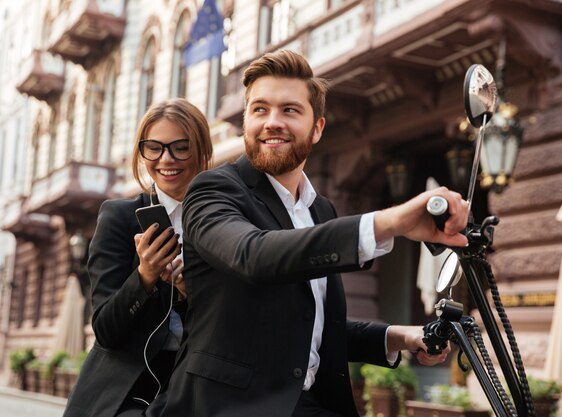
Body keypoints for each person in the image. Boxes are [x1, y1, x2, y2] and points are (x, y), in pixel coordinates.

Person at [146, 50, 467, 417]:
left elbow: (310, 325)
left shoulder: (320, 210)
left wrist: (399, 336)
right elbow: (255, 255)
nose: (272, 122)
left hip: (311, 404)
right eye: (260, 110)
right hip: (225, 407)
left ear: (317, 129)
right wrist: (392, 222)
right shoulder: (212, 190)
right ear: (246, 121)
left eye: (290, 110)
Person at [63, 98, 213, 417]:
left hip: (200, 385)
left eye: (180, 147)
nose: (165, 159)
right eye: (154, 148)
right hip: (127, 392)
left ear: (201, 149)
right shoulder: (120, 217)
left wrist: (190, 292)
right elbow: (105, 329)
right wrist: (145, 276)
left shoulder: (223, 216)